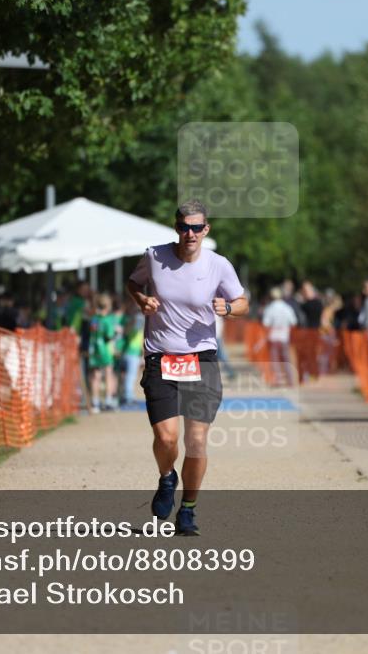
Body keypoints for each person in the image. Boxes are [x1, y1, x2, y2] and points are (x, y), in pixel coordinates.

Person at [126, 200, 247, 535]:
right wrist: (142, 300)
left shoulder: (218, 264)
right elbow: (134, 283)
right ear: (176, 228)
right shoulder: (154, 256)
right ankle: (167, 477)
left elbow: (242, 302)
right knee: (166, 438)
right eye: (184, 227)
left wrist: (228, 307)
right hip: (160, 357)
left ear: (206, 230)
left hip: (202, 359)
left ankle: (188, 510)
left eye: (196, 227)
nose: (190, 233)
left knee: (196, 441)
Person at [88, 293, 121, 413]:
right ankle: (108, 400)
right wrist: (117, 333)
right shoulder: (108, 320)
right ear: (108, 306)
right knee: (108, 375)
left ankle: (95, 402)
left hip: (95, 350)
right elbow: (109, 336)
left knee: (95, 376)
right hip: (106, 351)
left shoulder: (94, 320)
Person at [262, 287, 297, 386]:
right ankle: (290, 381)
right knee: (287, 359)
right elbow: (293, 322)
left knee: (275, 360)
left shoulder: (270, 308)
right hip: (284, 337)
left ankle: (278, 380)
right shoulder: (287, 307)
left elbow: (266, 324)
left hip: (273, 337)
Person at [120, 299, 145, 406]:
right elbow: (132, 332)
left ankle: (124, 395)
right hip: (132, 352)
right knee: (131, 375)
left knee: (125, 375)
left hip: (128, 351)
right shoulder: (136, 319)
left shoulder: (126, 319)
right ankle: (128, 396)